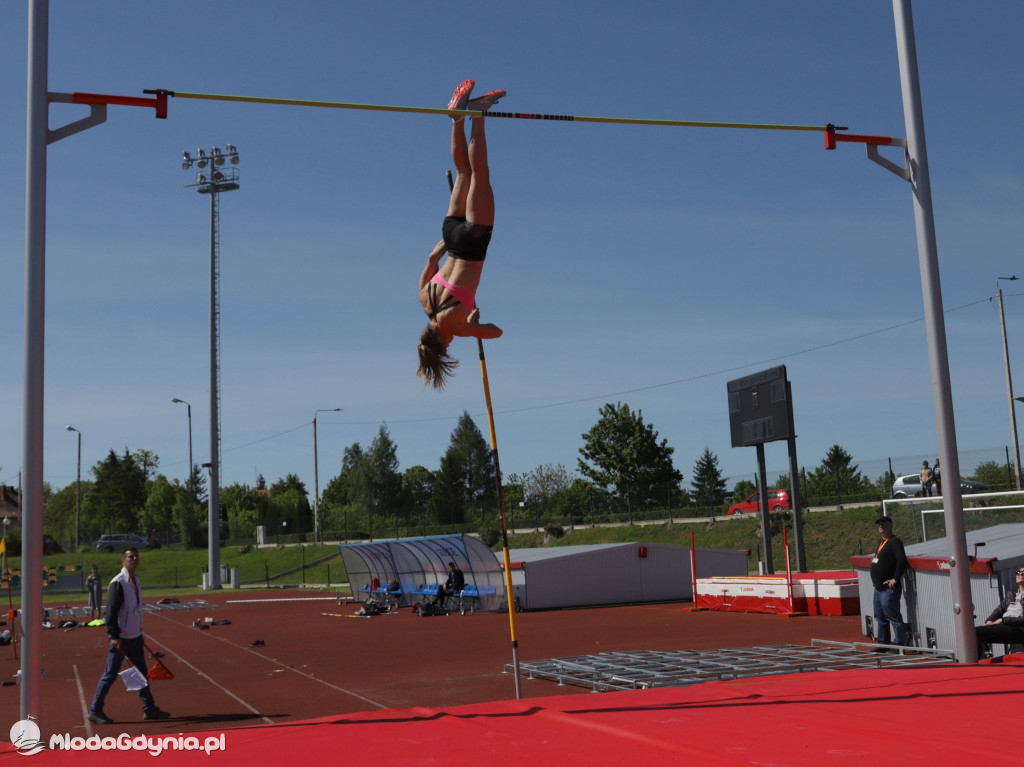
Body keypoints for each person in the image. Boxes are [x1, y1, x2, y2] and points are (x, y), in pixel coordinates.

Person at [417, 79, 505, 389]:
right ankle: (457, 119)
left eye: (447, 348)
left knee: (480, 173)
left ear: (441, 343)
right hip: (452, 236)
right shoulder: (423, 299)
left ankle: (478, 113)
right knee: (465, 173)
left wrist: (474, 326)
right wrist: (449, 240)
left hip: (473, 243)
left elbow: (496, 332)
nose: (452, 344)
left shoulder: (455, 326)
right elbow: (431, 259)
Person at [87, 548, 171, 724]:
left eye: (136, 556)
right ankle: (95, 710)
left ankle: (149, 708)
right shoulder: (118, 582)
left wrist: (139, 632)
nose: (134, 559)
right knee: (110, 674)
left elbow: (135, 610)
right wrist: (114, 636)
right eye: (130, 557)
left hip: (135, 636)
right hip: (121, 638)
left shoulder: (136, 581)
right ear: (123, 561)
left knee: (140, 673)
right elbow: (111, 613)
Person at [870, 516, 909, 650]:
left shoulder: (895, 542)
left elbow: (901, 560)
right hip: (878, 588)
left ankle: (899, 645)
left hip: (888, 588)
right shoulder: (882, 542)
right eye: (879, 525)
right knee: (880, 617)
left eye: (884, 524)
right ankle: (883, 644)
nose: (881, 526)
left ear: (890, 526)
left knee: (893, 616)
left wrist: (896, 578)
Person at [975, 567, 1024, 656]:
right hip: (1006, 626)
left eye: (1023, 572)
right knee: (974, 632)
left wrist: (1002, 620)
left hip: (1019, 628)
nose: (1020, 574)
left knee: (977, 632)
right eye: (1018, 572)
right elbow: (999, 610)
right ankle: (981, 659)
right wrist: (989, 620)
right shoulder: (1011, 594)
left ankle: (975, 664)